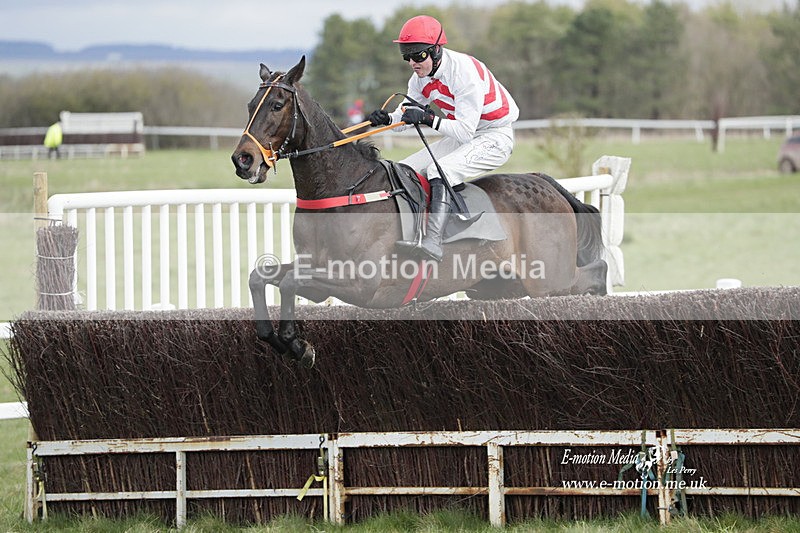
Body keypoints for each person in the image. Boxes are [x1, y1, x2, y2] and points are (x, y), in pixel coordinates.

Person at [368, 15, 519, 262]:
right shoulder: (419, 79)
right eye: (407, 57)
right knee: (404, 170)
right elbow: (404, 118)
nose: (413, 63)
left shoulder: (464, 74)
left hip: (494, 136)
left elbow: (464, 131)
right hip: (466, 135)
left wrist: (428, 119)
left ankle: (434, 242)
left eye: (419, 56)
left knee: (441, 170)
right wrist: (388, 120)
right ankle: (411, 232)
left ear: (436, 51)